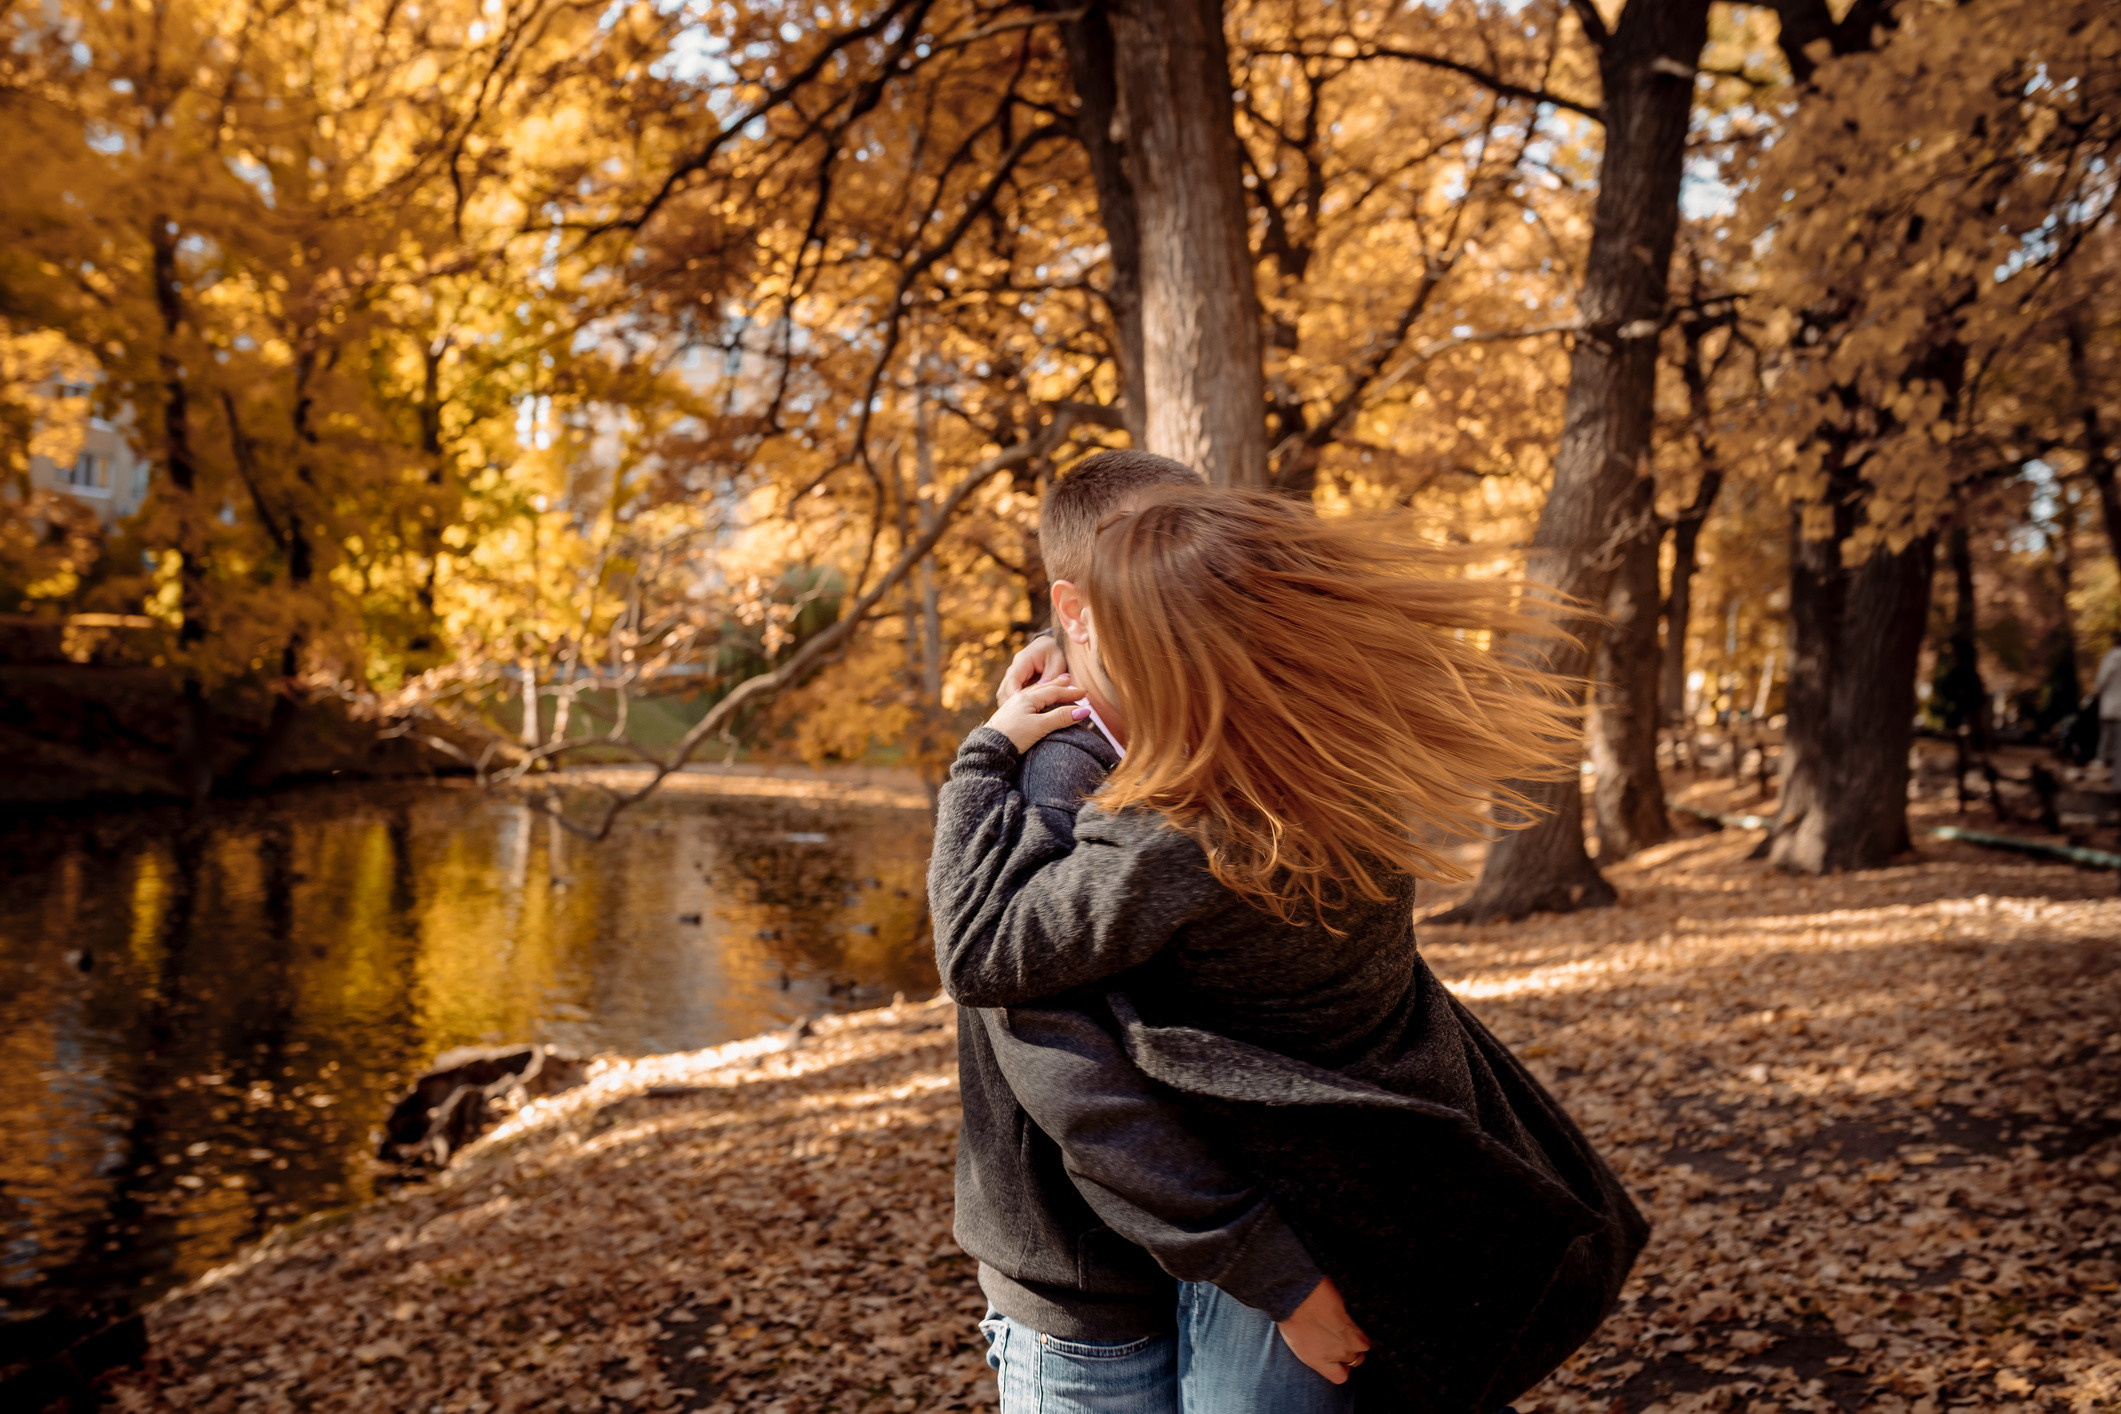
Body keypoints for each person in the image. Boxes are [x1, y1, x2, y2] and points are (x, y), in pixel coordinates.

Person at [931, 486, 1649, 1411]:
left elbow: (980, 951)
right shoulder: (1330, 758)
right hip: (1360, 1183)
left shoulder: (1182, 827)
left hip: (1296, 1204)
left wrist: (984, 752)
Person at [943, 451, 1364, 1414]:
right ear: (1080, 605)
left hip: (1245, 1242)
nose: (1189, 570)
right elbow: (1058, 1059)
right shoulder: (1052, 772)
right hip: (1089, 1283)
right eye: (1144, 552)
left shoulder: (1232, 739)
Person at [2098, 638, 2121, 777]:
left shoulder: (2111, 657)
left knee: (2106, 735)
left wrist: (2098, 692)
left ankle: (2102, 763)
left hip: (2110, 703)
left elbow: (2102, 679)